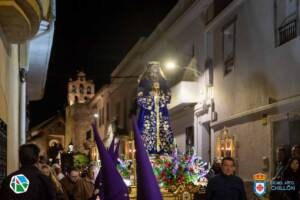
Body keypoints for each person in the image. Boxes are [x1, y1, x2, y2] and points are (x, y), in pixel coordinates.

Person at [137, 61, 174, 154]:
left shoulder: (163, 81)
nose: (155, 69)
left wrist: (161, 97)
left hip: (161, 108)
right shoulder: (144, 81)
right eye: (153, 67)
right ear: (149, 69)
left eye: (157, 67)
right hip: (149, 110)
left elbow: (168, 93)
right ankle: (149, 150)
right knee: (148, 129)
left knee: (163, 129)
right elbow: (140, 96)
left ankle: (164, 150)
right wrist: (150, 97)